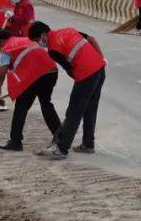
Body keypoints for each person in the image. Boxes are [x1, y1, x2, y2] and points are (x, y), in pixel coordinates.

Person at [28, 22, 106, 159]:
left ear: (43, 36)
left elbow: (70, 70)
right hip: (100, 69)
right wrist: (100, 59)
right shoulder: (68, 30)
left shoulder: (53, 50)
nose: (39, 44)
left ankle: (61, 149)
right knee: (90, 109)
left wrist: (81, 82)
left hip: (86, 74)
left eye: (37, 40)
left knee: (74, 112)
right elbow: (91, 38)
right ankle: (88, 144)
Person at [0, 30, 61, 152]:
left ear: (1, 41)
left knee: (21, 107)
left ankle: (16, 141)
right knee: (46, 104)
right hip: (51, 72)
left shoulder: (6, 48)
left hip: (36, 75)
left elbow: (2, 74)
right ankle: (61, 138)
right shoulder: (23, 40)